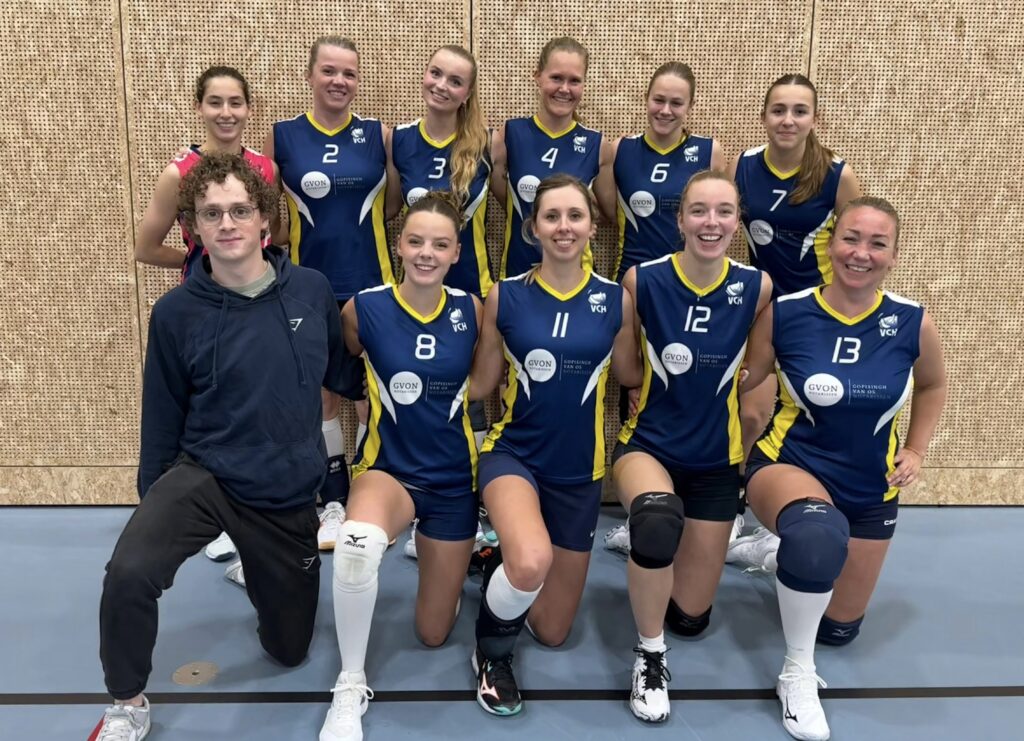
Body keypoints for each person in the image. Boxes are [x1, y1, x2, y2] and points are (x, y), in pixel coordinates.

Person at [89, 153, 357, 741]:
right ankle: (126, 703)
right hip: (206, 473)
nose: (228, 223)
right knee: (129, 572)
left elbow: (347, 378)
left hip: (285, 487)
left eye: (240, 210)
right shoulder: (176, 313)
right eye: (212, 213)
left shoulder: (311, 291)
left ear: (265, 219)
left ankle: (259, 567)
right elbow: (162, 416)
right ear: (193, 227)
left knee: (288, 650)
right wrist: (152, 509)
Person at [738, 196, 946, 740]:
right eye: (851, 238)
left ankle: (772, 551)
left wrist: (916, 449)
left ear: (893, 256)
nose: (861, 252)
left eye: (877, 243)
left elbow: (932, 384)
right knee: (817, 536)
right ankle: (796, 672)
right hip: (789, 464)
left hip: (870, 486)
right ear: (831, 244)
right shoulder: (786, 312)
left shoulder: (911, 321)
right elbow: (746, 381)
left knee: (839, 629)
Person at [466, 174, 642, 716]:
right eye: (552, 216)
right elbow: (482, 384)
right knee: (531, 562)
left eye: (575, 215)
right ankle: (491, 653)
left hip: (580, 472)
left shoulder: (616, 301)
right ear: (534, 227)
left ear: (591, 226)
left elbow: (633, 375)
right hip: (513, 455)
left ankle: (496, 560)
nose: (564, 227)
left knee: (552, 630)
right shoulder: (506, 296)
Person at [319, 192, 481, 741]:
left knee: (432, 634)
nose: (426, 253)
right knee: (356, 548)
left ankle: (449, 575)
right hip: (388, 470)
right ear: (399, 246)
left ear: (456, 251)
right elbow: (345, 369)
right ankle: (349, 683)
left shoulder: (472, 311)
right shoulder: (362, 309)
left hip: (454, 479)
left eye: (440, 244)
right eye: (416, 241)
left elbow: (484, 384)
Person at [613, 170, 771, 722]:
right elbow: (627, 371)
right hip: (648, 447)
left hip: (715, 461)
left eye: (724, 211)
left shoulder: (757, 288)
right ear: (679, 219)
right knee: (658, 521)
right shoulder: (642, 281)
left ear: (738, 222)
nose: (711, 222)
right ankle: (649, 654)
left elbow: (758, 372)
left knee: (691, 618)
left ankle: (669, 540)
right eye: (699, 210)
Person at [134, 66, 278, 567]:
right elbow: (146, 247)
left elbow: (273, 237)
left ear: (249, 109)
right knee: (209, 408)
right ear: (199, 107)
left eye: (235, 102)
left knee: (253, 399)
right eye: (215, 102)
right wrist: (199, 258)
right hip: (206, 307)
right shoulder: (179, 173)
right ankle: (210, 512)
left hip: (257, 302)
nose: (226, 112)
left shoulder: (264, 168)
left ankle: (256, 515)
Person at [266, 36, 397, 547]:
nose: (339, 81)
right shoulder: (284, 136)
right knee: (321, 395)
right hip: (308, 286)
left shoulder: (378, 135)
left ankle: (368, 494)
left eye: (349, 73)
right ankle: (334, 498)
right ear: (310, 75)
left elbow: (391, 205)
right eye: (329, 71)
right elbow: (272, 218)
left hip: (372, 283)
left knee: (369, 395)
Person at [728, 73, 862, 552]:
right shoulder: (744, 167)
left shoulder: (836, 176)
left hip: (818, 318)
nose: (788, 120)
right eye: (779, 110)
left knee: (812, 416)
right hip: (765, 311)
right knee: (751, 414)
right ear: (764, 116)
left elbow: (859, 246)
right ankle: (734, 510)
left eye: (799, 111)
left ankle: (793, 520)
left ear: (814, 119)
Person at [390, 44, 493, 472]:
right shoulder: (398, 140)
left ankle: (476, 482)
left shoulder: (489, 145)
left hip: (471, 287)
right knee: (411, 386)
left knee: (472, 392)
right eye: (436, 73)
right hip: (415, 290)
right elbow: (389, 209)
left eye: (455, 81)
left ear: (467, 93)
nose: (442, 86)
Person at [492, 37, 613, 279]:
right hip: (519, 276)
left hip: (577, 279)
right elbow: (511, 202)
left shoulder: (597, 145)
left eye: (574, 81)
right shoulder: (511, 134)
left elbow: (610, 215)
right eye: (556, 78)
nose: (565, 89)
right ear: (538, 76)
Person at [594, 62, 725, 282]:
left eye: (676, 103)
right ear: (646, 98)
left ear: (690, 105)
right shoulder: (620, 150)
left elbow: (720, 220)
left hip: (690, 281)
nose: (665, 110)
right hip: (631, 279)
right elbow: (610, 213)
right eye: (659, 100)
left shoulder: (710, 152)